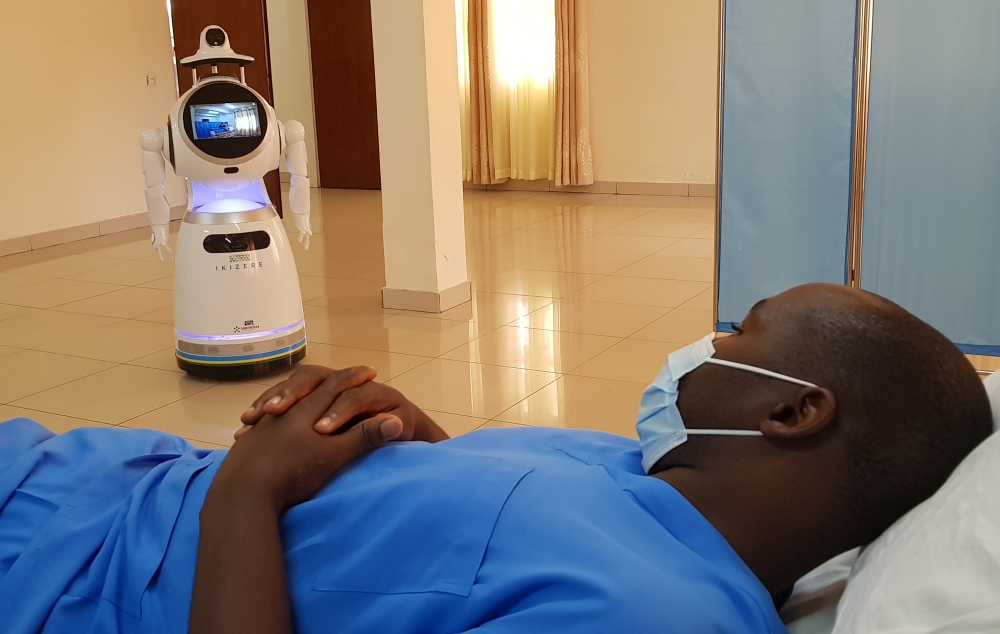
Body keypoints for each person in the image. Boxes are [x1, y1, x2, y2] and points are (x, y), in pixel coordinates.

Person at [0, 284, 991, 634]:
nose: (704, 347)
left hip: (54, 574)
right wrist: (403, 436)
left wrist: (251, 490)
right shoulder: (641, 470)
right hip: (97, 471)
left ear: (791, 411)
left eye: (738, 334)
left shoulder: (658, 617)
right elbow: (454, 543)